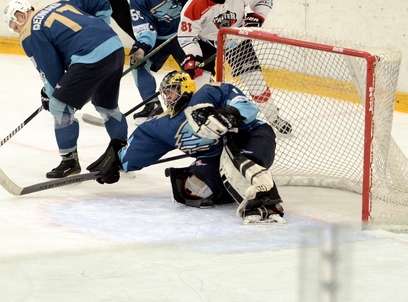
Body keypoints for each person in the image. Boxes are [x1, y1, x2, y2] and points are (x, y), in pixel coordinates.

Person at [86, 70, 285, 225]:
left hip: (252, 136)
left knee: (240, 164)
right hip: (216, 157)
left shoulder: (208, 92)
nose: (168, 96)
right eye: (166, 93)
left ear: (185, 87)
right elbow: (143, 142)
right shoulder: (164, 125)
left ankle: (268, 204)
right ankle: (238, 188)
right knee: (192, 188)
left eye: (172, 90)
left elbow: (244, 104)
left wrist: (231, 114)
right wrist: (118, 160)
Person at [3, 0, 128, 178]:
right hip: (115, 47)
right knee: (107, 106)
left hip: (90, 57)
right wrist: (102, 28)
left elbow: (51, 70)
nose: (17, 32)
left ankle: (69, 161)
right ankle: (122, 155)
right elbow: (100, 0)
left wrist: (50, 93)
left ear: (21, 16)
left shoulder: (29, 32)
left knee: (59, 106)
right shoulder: (60, 4)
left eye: (15, 27)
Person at [177, 0, 292, 134]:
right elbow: (186, 34)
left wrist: (258, 16)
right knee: (201, 84)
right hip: (206, 43)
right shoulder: (196, 4)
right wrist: (193, 56)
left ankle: (274, 117)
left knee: (255, 81)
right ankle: (201, 121)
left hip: (235, 40)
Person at [128, 0, 207, 122]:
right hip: (158, 40)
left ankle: (200, 106)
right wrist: (142, 46)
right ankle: (152, 106)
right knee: (138, 64)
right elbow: (144, 26)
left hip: (184, 36)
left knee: (194, 69)